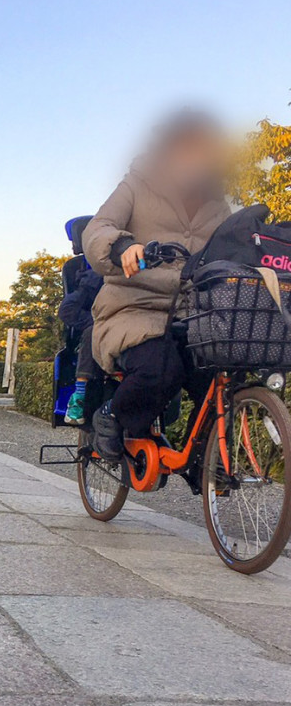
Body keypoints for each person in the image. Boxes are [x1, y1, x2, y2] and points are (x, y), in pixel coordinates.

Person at [82, 111, 231, 460]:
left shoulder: (218, 204)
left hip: (192, 315)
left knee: (221, 379)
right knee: (160, 368)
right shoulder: (137, 184)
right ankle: (112, 416)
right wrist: (121, 247)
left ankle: (205, 459)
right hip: (132, 307)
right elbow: (97, 227)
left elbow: (233, 247)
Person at [59, 216, 103, 426]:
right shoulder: (79, 268)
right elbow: (68, 310)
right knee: (93, 331)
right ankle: (79, 393)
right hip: (98, 321)